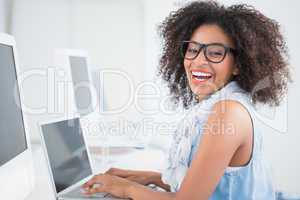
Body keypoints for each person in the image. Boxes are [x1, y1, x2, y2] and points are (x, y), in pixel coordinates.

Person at [82, 1, 291, 199]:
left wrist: (126, 188)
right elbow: (213, 186)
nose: (198, 61)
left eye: (215, 53)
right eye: (192, 50)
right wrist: (150, 178)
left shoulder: (228, 112)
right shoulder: (222, 104)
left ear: (238, 65)